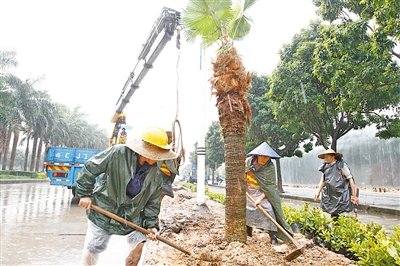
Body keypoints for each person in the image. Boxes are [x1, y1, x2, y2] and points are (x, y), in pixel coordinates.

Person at [76, 127, 177, 266]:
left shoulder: (157, 173)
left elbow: (152, 203)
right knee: (94, 247)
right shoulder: (118, 153)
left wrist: (151, 226)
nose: (160, 158)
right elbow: (90, 168)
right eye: (158, 154)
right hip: (103, 209)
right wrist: (85, 194)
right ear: (147, 151)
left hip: (131, 215)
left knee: (136, 251)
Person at [245, 142, 294, 245]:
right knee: (246, 211)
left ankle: (273, 237)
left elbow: (270, 187)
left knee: (269, 210)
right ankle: (248, 232)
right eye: (263, 156)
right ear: (257, 155)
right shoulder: (248, 162)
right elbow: (242, 177)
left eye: (267, 157)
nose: (265, 159)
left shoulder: (270, 167)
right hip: (248, 191)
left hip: (262, 193)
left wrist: (260, 199)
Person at [314, 149, 359, 219]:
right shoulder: (325, 167)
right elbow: (323, 180)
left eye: (327, 156)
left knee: (343, 213)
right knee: (333, 213)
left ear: (333, 157)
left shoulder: (341, 165)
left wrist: (354, 195)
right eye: (324, 157)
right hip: (331, 194)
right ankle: (335, 226)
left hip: (342, 193)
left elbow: (350, 178)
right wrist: (318, 192)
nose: (325, 158)